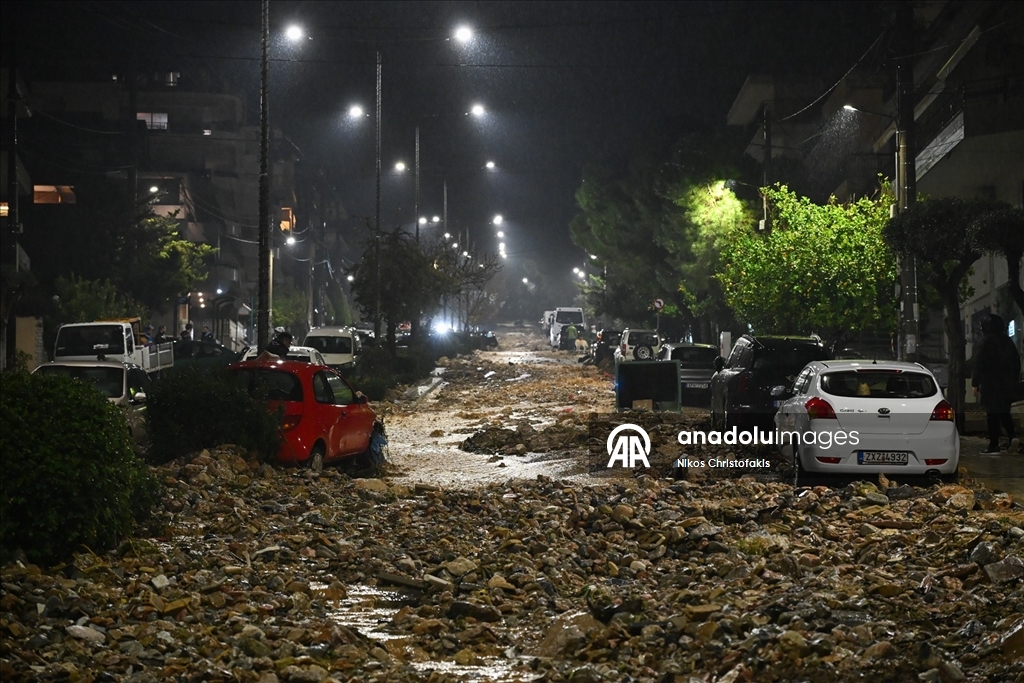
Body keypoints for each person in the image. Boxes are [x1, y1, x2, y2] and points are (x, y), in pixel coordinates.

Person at [972, 313, 1021, 455]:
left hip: (990, 385)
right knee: (1005, 412)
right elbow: (1016, 363)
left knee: (992, 415)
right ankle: (1012, 437)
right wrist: (1013, 380)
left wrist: (975, 383)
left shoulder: (985, 342)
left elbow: (979, 363)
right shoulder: (1007, 341)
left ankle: (994, 444)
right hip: (1007, 385)